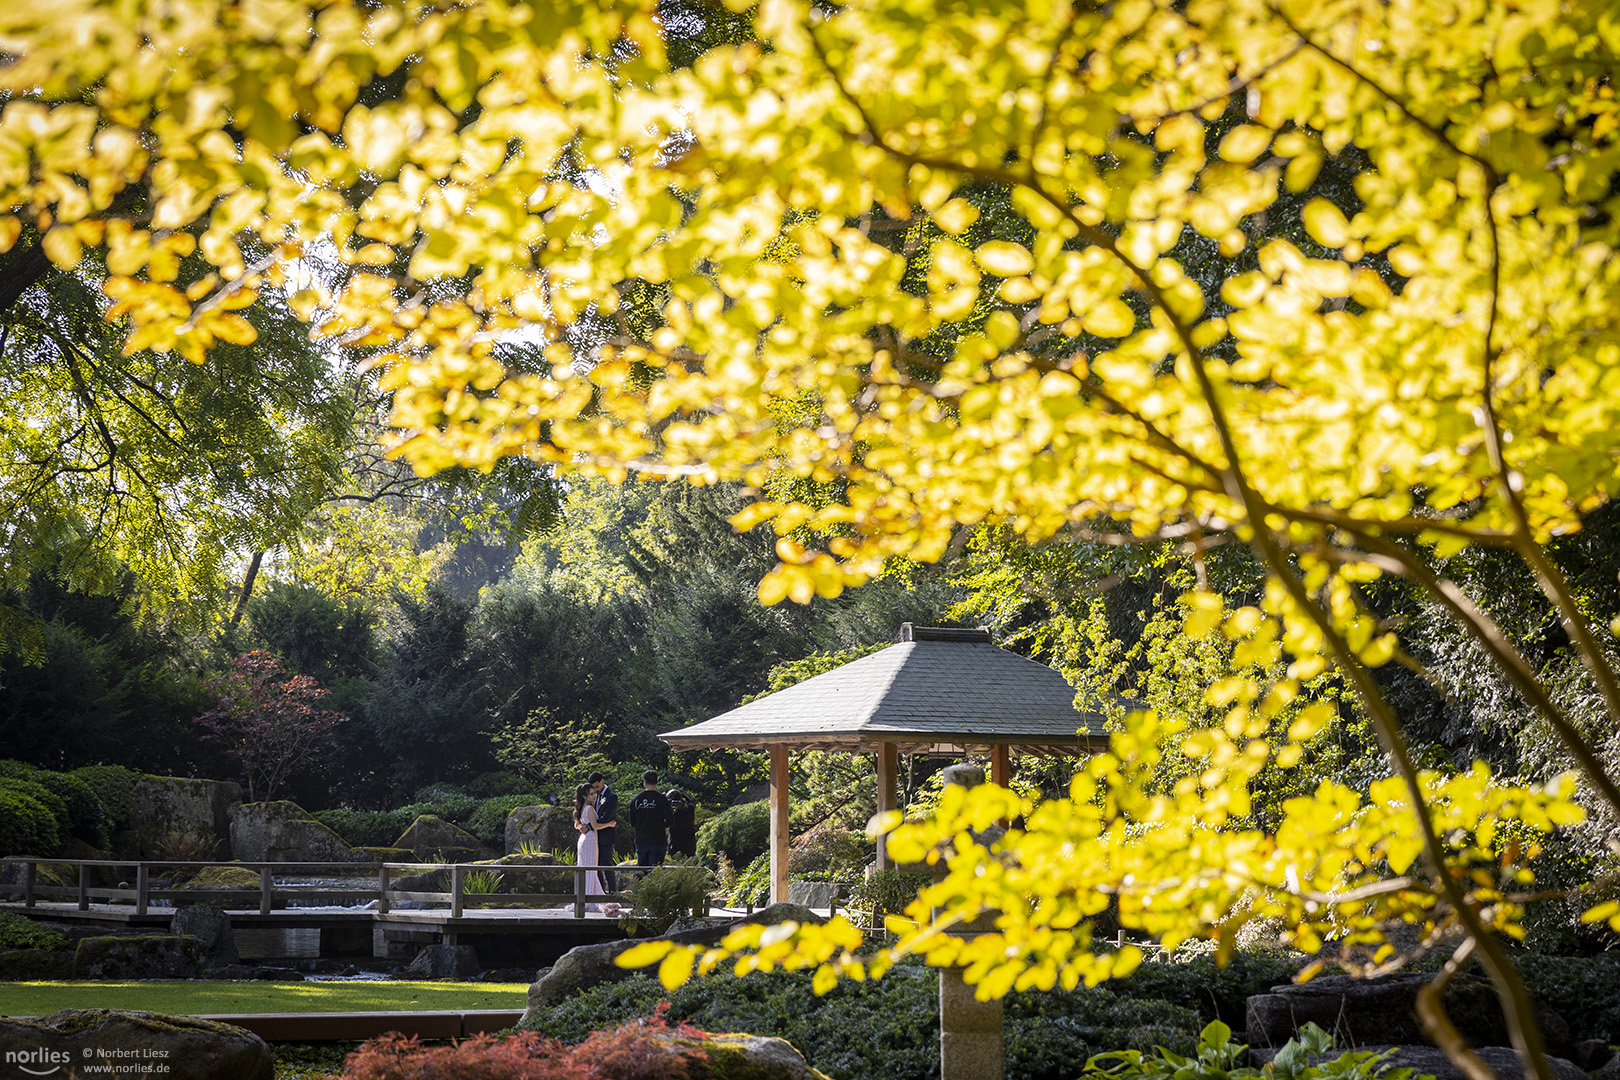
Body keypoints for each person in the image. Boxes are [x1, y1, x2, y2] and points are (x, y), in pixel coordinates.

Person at [572, 782, 616, 914]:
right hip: (590, 839)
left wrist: (581, 827)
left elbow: (577, 825)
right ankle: (591, 898)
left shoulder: (581, 808)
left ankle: (588, 896)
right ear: (585, 796)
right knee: (591, 869)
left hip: (583, 840)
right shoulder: (589, 809)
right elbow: (595, 826)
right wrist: (608, 824)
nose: (594, 796)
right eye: (591, 794)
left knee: (586, 868)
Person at [628, 770, 672, 866]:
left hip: (641, 840)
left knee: (642, 871)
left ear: (644, 782)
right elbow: (670, 820)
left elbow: (632, 822)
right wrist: (660, 825)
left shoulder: (636, 800)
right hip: (658, 840)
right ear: (657, 782)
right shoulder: (662, 799)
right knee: (656, 872)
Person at [589, 772, 618, 891]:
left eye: (597, 787)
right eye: (593, 788)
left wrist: (591, 825)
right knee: (596, 867)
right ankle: (600, 893)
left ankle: (612, 892)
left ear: (603, 782)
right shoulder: (593, 796)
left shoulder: (611, 796)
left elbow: (607, 817)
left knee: (607, 865)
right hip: (594, 836)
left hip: (606, 837)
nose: (595, 790)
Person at [666, 789, 696, 858]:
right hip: (689, 841)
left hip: (675, 841)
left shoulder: (672, 812)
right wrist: (681, 795)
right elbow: (689, 801)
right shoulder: (690, 808)